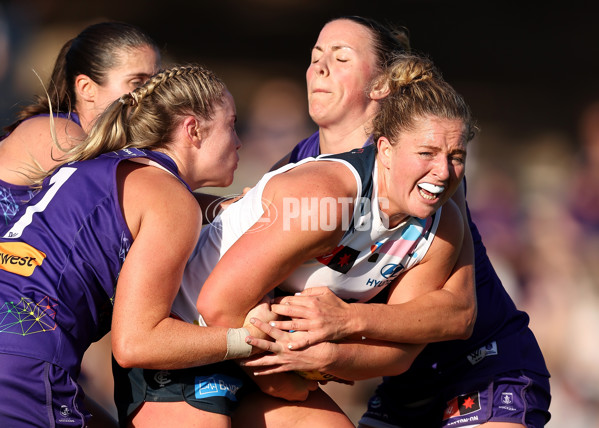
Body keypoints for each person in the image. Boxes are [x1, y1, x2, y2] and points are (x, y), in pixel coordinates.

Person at [115, 51, 475, 428]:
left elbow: (399, 354)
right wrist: (282, 380)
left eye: (457, 156)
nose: (443, 171)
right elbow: (219, 303)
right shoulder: (327, 199)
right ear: (384, 149)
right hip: (190, 331)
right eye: (426, 153)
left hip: (261, 349)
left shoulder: (442, 223)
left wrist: (328, 353)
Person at [243, 16, 551, 428]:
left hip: (484, 369)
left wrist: (343, 323)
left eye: (341, 58)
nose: (319, 67)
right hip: (402, 386)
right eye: (315, 57)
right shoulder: (302, 164)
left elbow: (458, 314)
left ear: (382, 84)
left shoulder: (422, 159)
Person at [0, 64, 269, 427]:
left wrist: (218, 206)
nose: (239, 141)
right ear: (193, 129)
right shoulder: (170, 199)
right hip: (23, 360)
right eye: (231, 124)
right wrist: (252, 340)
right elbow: (137, 342)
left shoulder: (97, 165)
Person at [0, 21, 161, 221]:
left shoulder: (112, 145)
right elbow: (131, 197)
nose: (152, 93)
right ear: (86, 88)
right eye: (137, 82)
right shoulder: (56, 132)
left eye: (156, 81)